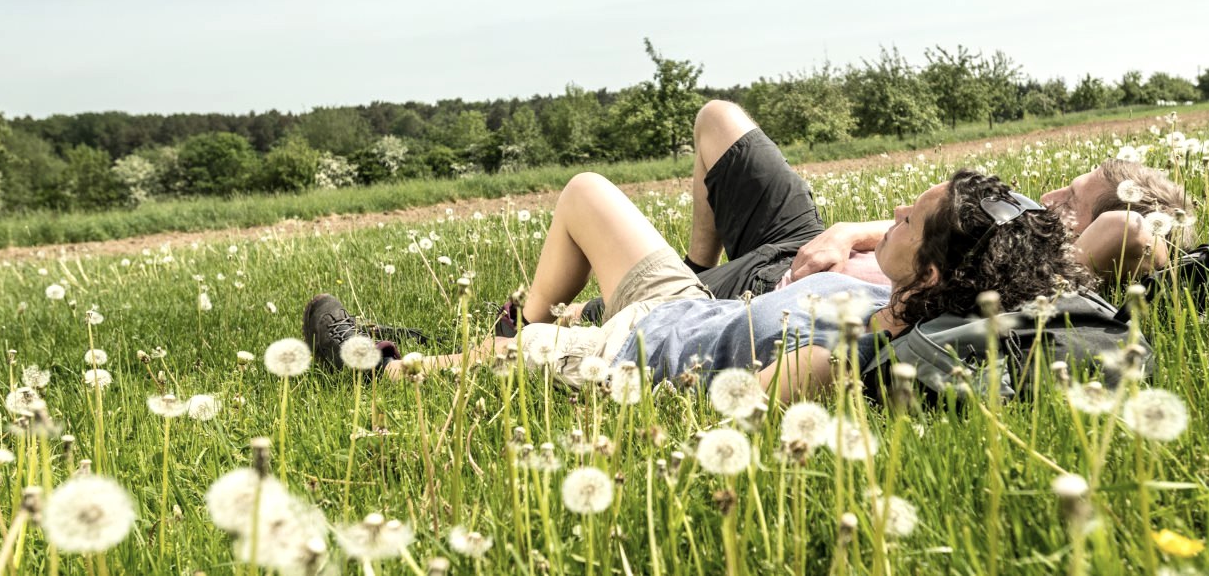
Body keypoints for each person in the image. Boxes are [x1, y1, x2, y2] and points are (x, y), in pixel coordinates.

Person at [305, 159, 1104, 405]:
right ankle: (512, 325)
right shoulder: (912, 293)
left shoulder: (869, 347)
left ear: (931, 271)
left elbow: (746, 406)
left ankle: (377, 366)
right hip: (686, 306)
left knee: (492, 366)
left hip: (632, 355)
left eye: (905, 221)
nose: (892, 212)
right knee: (585, 192)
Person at [564, 100, 1193, 324]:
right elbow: (914, 227)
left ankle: (545, 320)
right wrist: (848, 231)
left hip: (779, 287)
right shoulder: (1015, 220)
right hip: (814, 242)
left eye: (1071, 203)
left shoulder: (1042, 278)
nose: (1051, 196)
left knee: (594, 313)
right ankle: (693, 263)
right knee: (719, 121)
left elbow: (1132, 235)